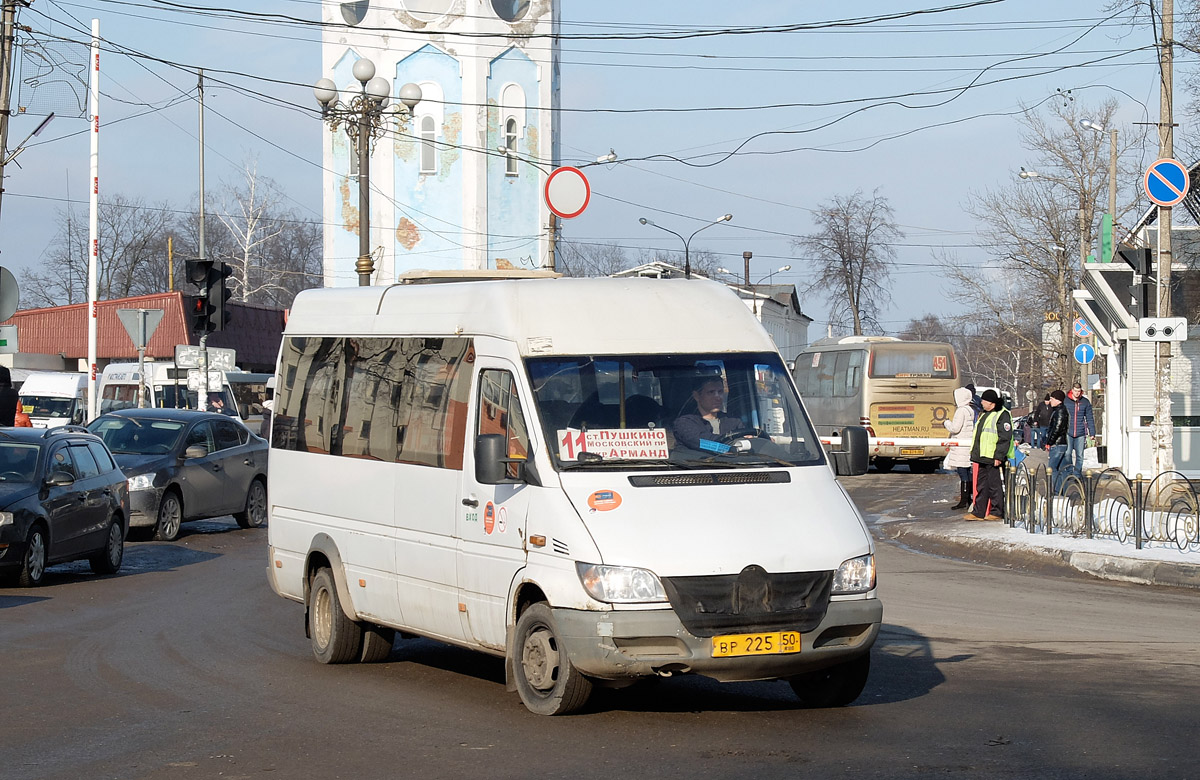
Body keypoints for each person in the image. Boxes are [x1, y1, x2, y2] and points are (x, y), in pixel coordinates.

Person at [965, 388, 1013, 521]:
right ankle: (978, 512)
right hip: (983, 456)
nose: (981, 403)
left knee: (994, 485)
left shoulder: (1002, 414)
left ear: (991, 403)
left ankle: (997, 512)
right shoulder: (985, 413)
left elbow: (1005, 437)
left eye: (984, 401)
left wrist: (999, 456)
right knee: (982, 485)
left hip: (993, 457)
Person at [672, 375, 743, 451]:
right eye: (711, 392)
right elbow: (701, 442)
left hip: (735, 462)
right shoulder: (684, 423)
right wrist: (733, 441)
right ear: (696, 396)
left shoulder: (733, 421)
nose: (718, 397)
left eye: (720, 391)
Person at [942, 386, 976, 509]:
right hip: (967, 444)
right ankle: (968, 498)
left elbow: (955, 428)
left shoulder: (960, 411)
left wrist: (946, 423)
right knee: (967, 471)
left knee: (963, 473)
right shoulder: (970, 410)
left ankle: (964, 500)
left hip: (960, 445)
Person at [1063, 382, 1095, 479]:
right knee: (1067, 453)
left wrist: (1092, 432)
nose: (1077, 393)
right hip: (1068, 431)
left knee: (1080, 455)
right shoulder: (1066, 401)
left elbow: (1089, 417)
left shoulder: (1085, 402)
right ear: (1072, 390)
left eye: (1078, 391)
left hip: (1080, 432)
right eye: (1075, 391)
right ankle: (1069, 472)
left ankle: (1077, 474)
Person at [1043, 390, 1069, 494]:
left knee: (1052, 468)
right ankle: (1062, 491)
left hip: (1058, 444)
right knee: (1060, 469)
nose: (1050, 401)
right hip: (1060, 443)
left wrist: (1049, 441)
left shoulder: (1060, 411)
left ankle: (1057, 492)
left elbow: (1057, 428)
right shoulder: (1059, 410)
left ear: (1058, 400)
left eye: (1052, 399)